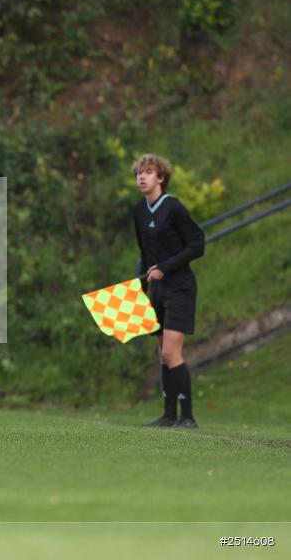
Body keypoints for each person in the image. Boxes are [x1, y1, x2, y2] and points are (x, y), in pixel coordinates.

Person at [132, 154, 205, 428]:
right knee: (162, 351)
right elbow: (144, 251)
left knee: (172, 353)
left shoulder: (173, 207)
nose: (142, 176)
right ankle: (168, 416)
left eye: (148, 172)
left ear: (160, 177)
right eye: (139, 172)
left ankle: (188, 417)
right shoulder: (139, 211)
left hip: (180, 287)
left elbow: (197, 244)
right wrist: (139, 288)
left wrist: (165, 267)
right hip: (157, 288)